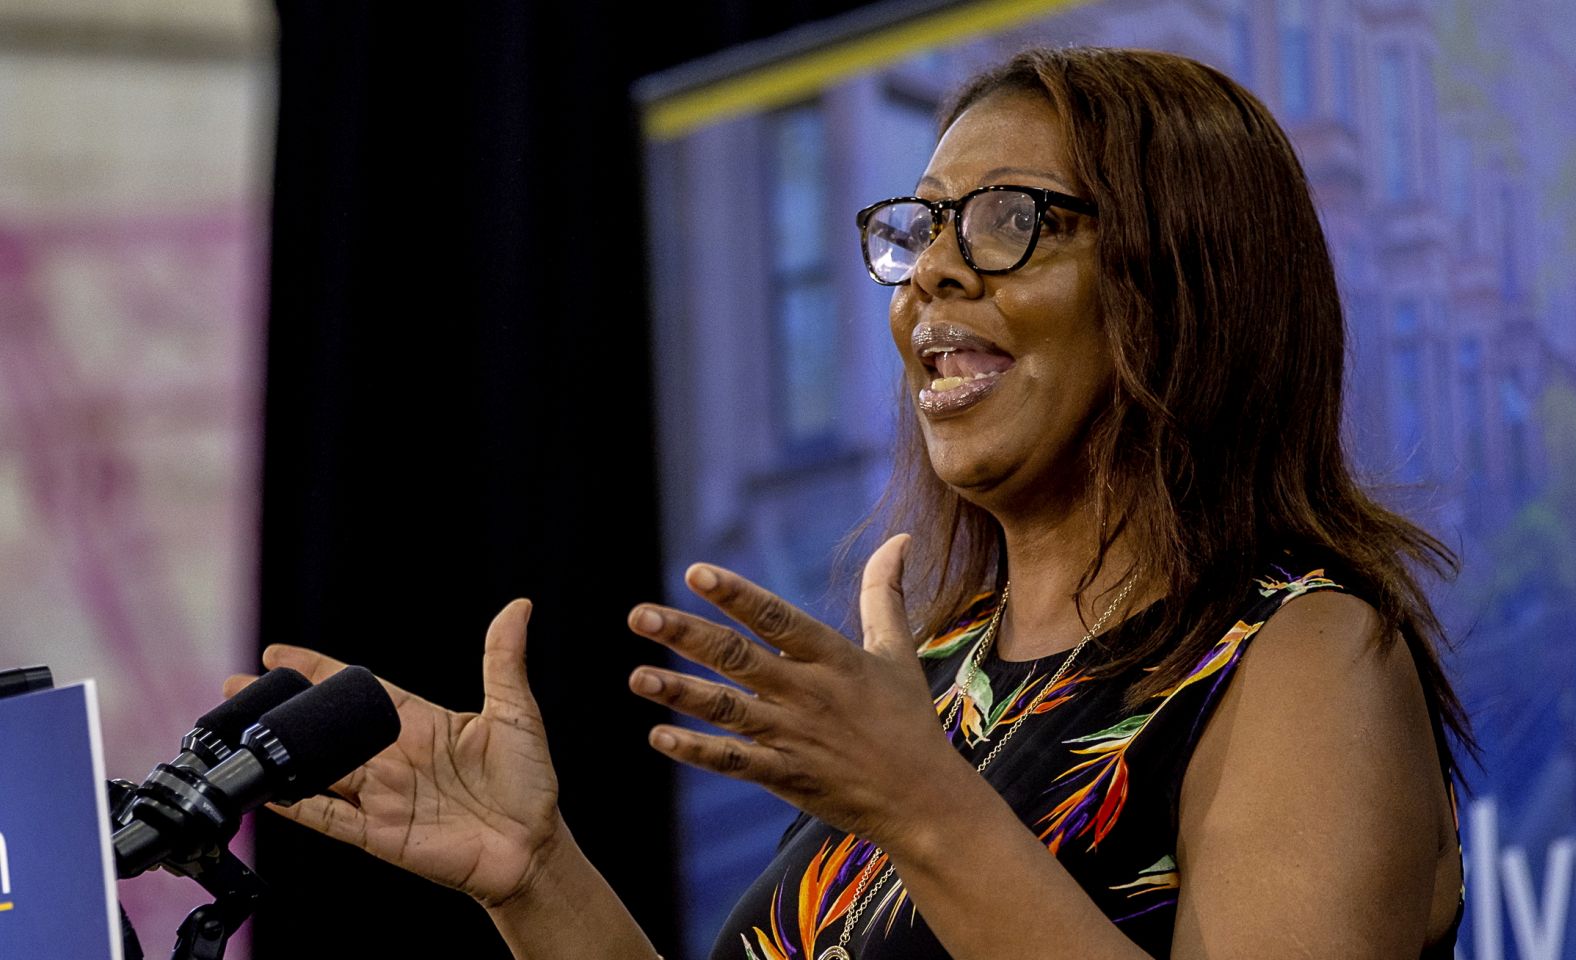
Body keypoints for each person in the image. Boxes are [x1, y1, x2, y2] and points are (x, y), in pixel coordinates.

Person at [230, 47, 1472, 959]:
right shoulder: (932, 681)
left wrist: (926, 808)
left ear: (1189, 281)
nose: (931, 270)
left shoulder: (1305, 653)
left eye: (1006, 223)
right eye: (920, 226)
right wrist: (535, 876)